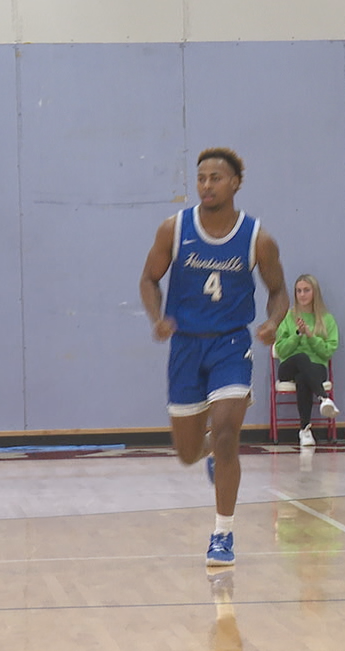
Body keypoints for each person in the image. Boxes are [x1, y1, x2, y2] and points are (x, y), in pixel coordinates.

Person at [139, 147, 289, 567]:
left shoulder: (257, 238)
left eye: (216, 178)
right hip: (186, 345)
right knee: (188, 453)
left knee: (226, 433)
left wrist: (273, 322)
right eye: (201, 178)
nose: (207, 185)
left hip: (230, 343)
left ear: (236, 183)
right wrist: (158, 317)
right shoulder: (175, 228)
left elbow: (278, 291)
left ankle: (223, 533)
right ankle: (206, 453)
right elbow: (149, 279)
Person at [274, 273, 340, 446]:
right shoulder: (289, 317)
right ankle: (324, 398)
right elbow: (280, 350)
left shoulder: (327, 319)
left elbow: (327, 352)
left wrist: (311, 336)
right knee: (302, 358)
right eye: (298, 291)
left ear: (314, 292)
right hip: (289, 366)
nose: (302, 294)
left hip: (316, 367)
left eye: (306, 290)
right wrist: (297, 335)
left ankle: (305, 430)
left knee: (303, 377)